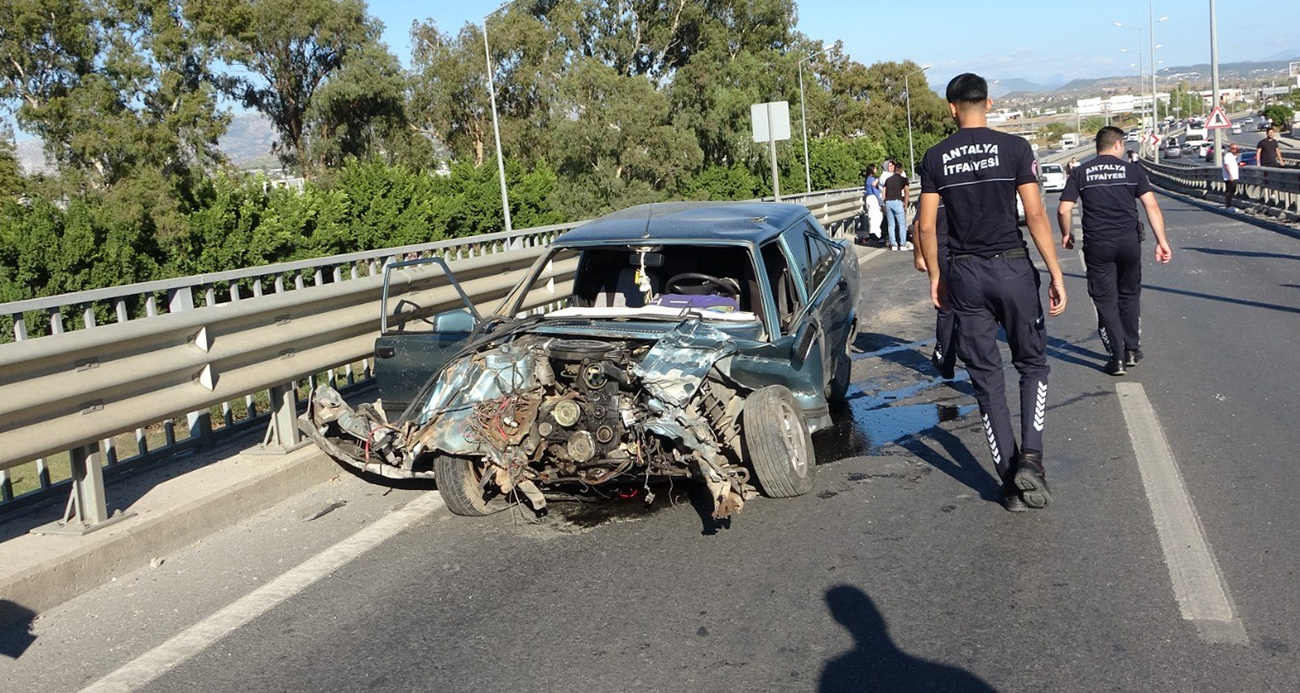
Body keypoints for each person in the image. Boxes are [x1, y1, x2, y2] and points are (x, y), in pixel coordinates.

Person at [917, 73, 1067, 512]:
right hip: (1013, 268)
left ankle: (1008, 482)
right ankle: (1032, 461)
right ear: (990, 102)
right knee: (1032, 363)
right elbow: (1035, 211)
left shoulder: (935, 157)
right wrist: (1055, 271)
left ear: (951, 108)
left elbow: (927, 225)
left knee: (986, 378)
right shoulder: (1015, 148)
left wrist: (935, 278)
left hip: (964, 274)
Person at [1057, 126, 1171, 377]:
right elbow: (1151, 205)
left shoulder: (1081, 172)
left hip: (1098, 245)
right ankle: (1132, 350)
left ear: (1099, 146)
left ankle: (1117, 358)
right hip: (1129, 242)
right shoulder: (1132, 170)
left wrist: (1067, 234)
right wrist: (1161, 241)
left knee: (1105, 300)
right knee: (1129, 296)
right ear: (1118, 144)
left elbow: (1064, 209)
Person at [912, 203, 958, 379]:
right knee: (951, 306)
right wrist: (919, 255)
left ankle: (945, 357)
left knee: (947, 307)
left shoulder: (934, 188)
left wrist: (918, 255)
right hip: (951, 254)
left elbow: (919, 225)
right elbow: (919, 225)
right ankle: (947, 355)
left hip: (944, 254)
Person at [883, 163, 910, 251]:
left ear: (894, 170)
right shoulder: (904, 180)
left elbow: (884, 193)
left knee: (891, 225)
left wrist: (884, 203)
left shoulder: (888, 179)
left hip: (888, 202)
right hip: (897, 201)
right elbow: (907, 192)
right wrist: (905, 204)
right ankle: (902, 244)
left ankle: (893, 244)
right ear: (901, 170)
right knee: (901, 224)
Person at [862, 164, 884, 243]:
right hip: (873, 198)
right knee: (876, 217)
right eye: (875, 168)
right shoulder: (872, 179)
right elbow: (875, 191)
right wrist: (881, 202)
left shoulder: (868, 178)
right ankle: (874, 234)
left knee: (873, 216)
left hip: (869, 198)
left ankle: (874, 233)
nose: (876, 169)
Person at [1222, 143, 1240, 210]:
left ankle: (1229, 205)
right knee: (1230, 191)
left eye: (1236, 148)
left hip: (1234, 176)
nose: (1235, 150)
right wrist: (1230, 175)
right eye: (1233, 148)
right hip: (1229, 177)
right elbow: (1226, 165)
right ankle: (1228, 205)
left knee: (1232, 191)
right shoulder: (1228, 155)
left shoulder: (1232, 156)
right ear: (1230, 149)